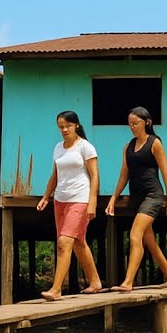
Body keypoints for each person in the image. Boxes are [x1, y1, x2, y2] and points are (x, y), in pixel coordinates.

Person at [105, 106, 167, 292]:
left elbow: (165, 171)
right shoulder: (127, 147)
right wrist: (113, 198)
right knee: (149, 240)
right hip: (136, 197)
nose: (132, 127)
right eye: (130, 124)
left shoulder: (154, 143)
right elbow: (124, 175)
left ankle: (128, 282)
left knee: (135, 235)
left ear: (147, 122)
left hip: (153, 195)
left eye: (135, 123)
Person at [36, 110, 103, 300]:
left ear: (76, 126)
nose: (64, 130)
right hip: (60, 200)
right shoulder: (58, 147)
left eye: (68, 126)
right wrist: (45, 197)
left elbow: (94, 176)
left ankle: (56, 289)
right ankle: (95, 281)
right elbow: (55, 175)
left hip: (80, 199)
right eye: (61, 127)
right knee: (78, 242)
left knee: (64, 242)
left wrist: (92, 202)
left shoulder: (86, 147)